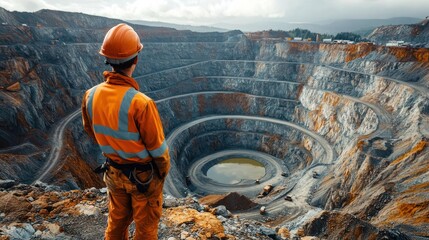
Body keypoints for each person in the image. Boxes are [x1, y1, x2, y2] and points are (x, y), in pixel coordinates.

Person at [81, 23, 170, 240]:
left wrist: (115, 150)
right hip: (143, 178)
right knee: (146, 229)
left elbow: (90, 130)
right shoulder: (141, 103)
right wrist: (161, 174)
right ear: (136, 58)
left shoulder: (90, 95)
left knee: (116, 223)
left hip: (113, 172)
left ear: (107, 59)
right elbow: (159, 151)